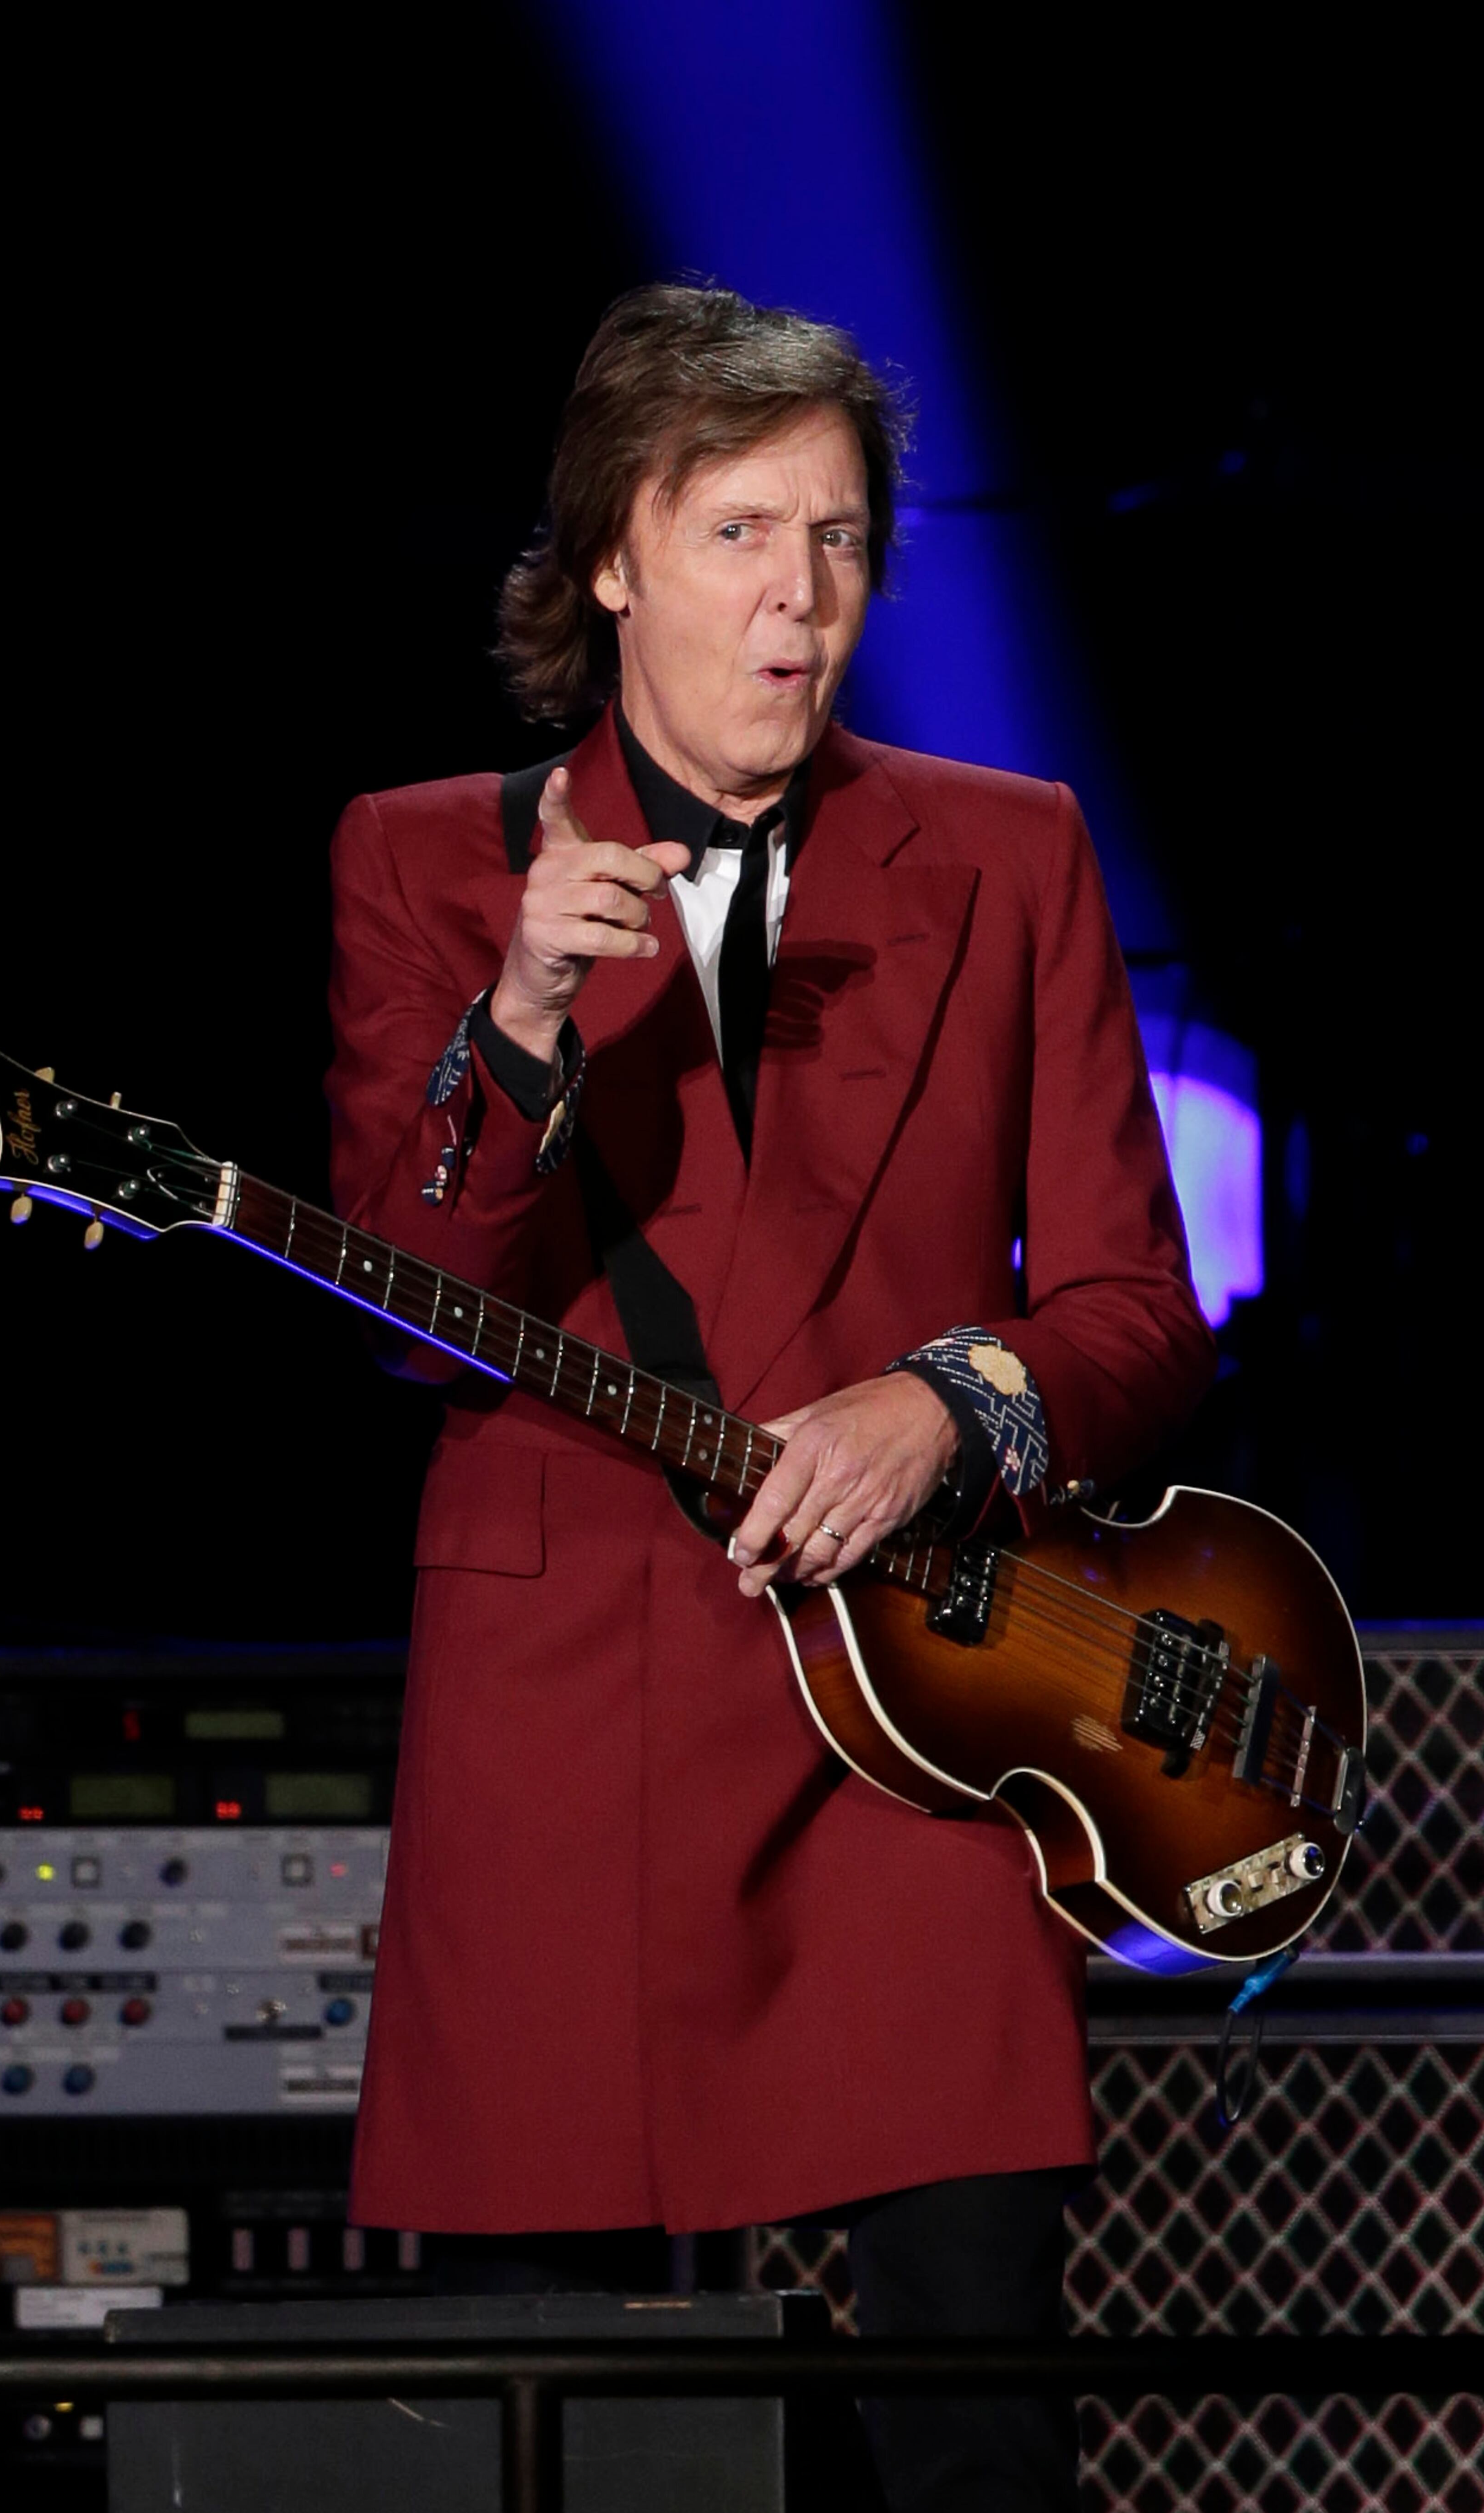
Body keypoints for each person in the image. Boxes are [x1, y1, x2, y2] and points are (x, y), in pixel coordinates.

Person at [325, 284, 1214, 2508]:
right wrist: (526, 1005)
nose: (798, 596)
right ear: (612, 556)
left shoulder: (1006, 853)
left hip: (910, 1722)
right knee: (562, 2442)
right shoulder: (426, 858)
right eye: (738, 531)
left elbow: (1132, 1307)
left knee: (972, 2420)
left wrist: (947, 1403)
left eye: (836, 538)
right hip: (566, 1725)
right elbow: (407, 1311)